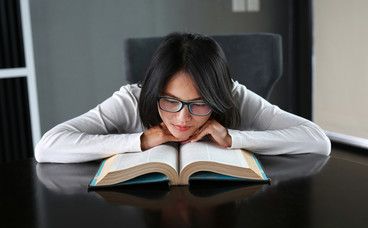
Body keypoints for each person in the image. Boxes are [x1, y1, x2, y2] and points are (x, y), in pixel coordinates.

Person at [35, 32, 331, 163]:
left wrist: (233, 138)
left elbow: (317, 141)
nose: (182, 117)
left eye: (199, 103)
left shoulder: (235, 96)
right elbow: (48, 147)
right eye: (170, 101)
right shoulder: (132, 99)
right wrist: (140, 141)